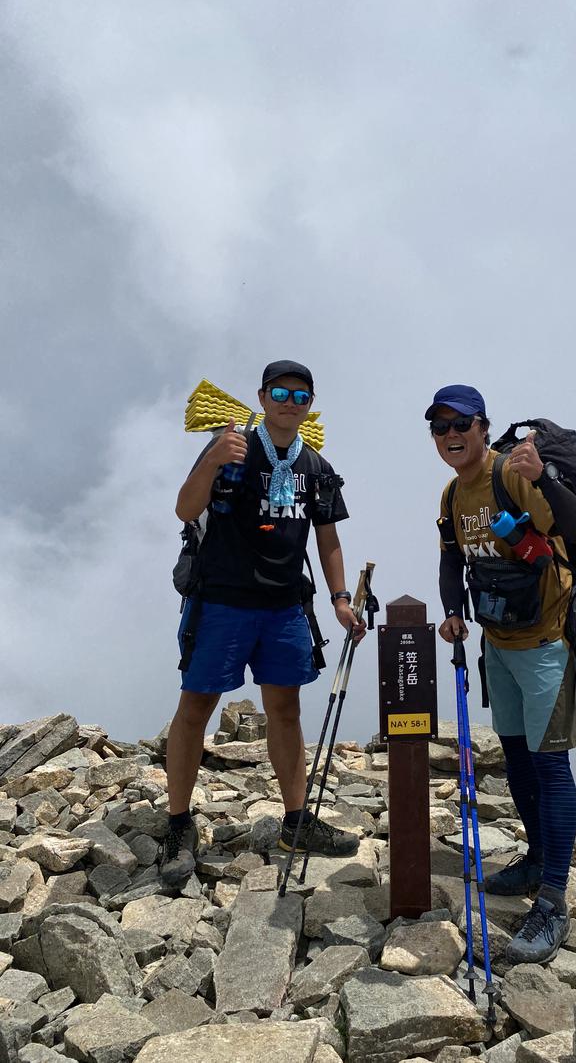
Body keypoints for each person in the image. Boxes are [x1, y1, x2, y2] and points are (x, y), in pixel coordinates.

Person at [160, 360, 365, 887]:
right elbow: (186, 509)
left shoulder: (314, 465)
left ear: (310, 404)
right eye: (280, 392)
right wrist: (210, 463)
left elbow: (328, 538)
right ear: (262, 396)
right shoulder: (230, 445)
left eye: (300, 396)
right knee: (196, 707)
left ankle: (296, 822)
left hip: (283, 606)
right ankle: (178, 823)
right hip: (222, 601)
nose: (289, 402)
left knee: (286, 709)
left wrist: (341, 599)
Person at [427, 384, 576, 965]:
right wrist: (451, 611)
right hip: (498, 644)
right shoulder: (452, 494)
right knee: (517, 759)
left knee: (550, 766)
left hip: (546, 644)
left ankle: (553, 899)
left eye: (460, 425)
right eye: (439, 427)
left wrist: (544, 476)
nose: (450, 436)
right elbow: (452, 558)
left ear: (481, 426)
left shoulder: (512, 473)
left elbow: (574, 528)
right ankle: (535, 861)